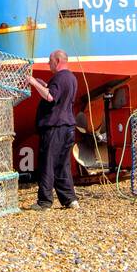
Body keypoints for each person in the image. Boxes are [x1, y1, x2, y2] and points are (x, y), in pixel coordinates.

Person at [28, 49, 79, 210]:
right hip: (68, 126)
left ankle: (44, 202)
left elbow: (51, 97)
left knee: (47, 163)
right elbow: (58, 94)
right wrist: (45, 85)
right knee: (62, 164)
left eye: (50, 61)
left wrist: (34, 83)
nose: (48, 64)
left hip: (55, 127)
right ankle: (70, 199)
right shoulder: (71, 78)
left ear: (57, 61)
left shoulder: (59, 77)